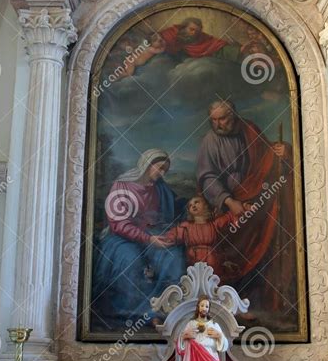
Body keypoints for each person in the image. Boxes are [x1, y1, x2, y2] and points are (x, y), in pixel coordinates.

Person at [196, 100, 295, 310]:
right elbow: (207, 178)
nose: (218, 124)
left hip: (257, 200)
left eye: (222, 119)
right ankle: (226, 304)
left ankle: (255, 300)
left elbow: (266, 157)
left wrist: (282, 151)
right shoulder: (210, 141)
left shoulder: (249, 130)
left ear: (234, 116)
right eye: (213, 120)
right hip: (228, 205)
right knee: (231, 253)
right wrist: (229, 201)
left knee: (264, 242)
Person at [92, 149, 186, 329]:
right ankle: (140, 313)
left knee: (173, 255)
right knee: (131, 261)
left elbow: (172, 210)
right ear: (147, 165)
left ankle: (166, 308)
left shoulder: (160, 188)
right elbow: (119, 224)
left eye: (165, 170)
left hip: (153, 234)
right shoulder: (122, 186)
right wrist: (149, 239)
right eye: (159, 168)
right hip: (122, 238)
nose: (162, 173)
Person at [164, 194, 236, 273]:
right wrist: (168, 238)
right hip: (193, 262)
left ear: (205, 205)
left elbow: (230, 217)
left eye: (196, 202)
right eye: (190, 205)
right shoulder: (186, 226)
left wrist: (244, 206)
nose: (193, 206)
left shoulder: (214, 224)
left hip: (213, 262)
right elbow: (173, 234)